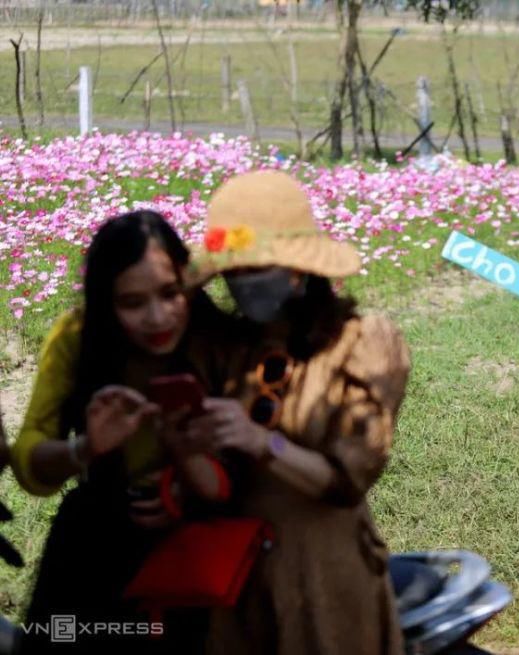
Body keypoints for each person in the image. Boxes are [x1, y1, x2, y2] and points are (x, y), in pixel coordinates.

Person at [180, 170, 410, 655]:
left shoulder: (358, 343)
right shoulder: (223, 349)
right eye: (233, 273)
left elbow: (349, 479)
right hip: (236, 580)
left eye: (257, 269)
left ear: (298, 269)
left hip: (324, 576)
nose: (243, 284)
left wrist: (263, 443)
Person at [9, 211, 234, 655]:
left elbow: (260, 455)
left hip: (203, 556)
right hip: (94, 554)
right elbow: (29, 462)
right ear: (104, 302)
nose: (157, 317)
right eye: (132, 303)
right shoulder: (77, 338)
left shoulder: (219, 340)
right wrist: (85, 448)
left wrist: (183, 487)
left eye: (170, 294)